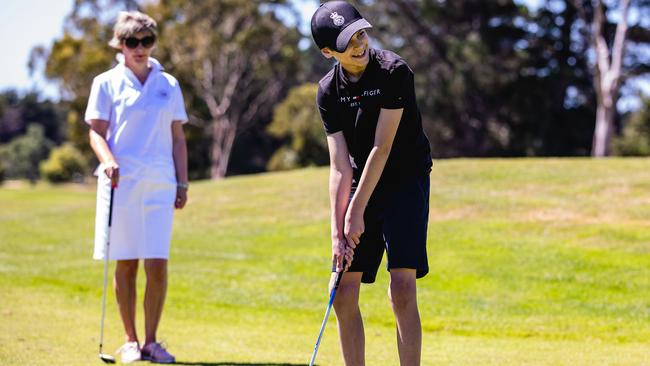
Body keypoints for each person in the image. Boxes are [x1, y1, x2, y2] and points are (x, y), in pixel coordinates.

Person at [311, 2, 433, 365]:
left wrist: (357, 212)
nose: (360, 44)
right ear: (328, 52)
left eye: (361, 34)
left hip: (404, 180)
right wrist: (338, 230)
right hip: (360, 178)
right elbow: (338, 167)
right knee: (343, 292)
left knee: (401, 288)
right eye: (348, 41)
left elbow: (382, 148)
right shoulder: (328, 92)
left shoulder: (394, 72)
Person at [86, 10, 188, 364]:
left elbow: (178, 138)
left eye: (147, 41)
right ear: (120, 44)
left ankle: (152, 341)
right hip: (120, 183)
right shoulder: (106, 83)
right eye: (132, 42)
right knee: (126, 263)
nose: (140, 48)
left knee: (157, 264)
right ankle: (129, 341)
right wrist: (108, 159)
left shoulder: (168, 84)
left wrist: (182, 180)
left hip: (160, 183)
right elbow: (96, 132)